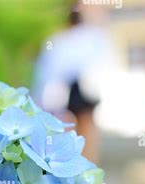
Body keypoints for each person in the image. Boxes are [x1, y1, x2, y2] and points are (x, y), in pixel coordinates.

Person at [32, 6, 113, 163]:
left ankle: (80, 160)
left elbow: (49, 68)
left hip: (72, 88)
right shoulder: (94, 37)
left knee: (73, 126)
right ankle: (87, 161)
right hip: (80, 88)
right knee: (86, 125)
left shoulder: (60, 39)